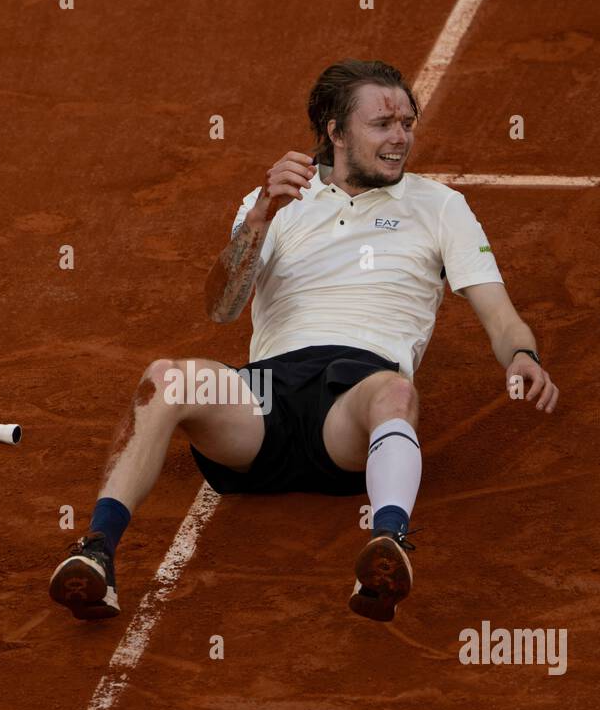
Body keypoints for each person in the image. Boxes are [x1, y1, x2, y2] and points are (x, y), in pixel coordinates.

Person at [49, 58, 558, 623]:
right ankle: (97, 550)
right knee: (166, 377)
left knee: (396, 394)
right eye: (382, 124)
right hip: (265, 399)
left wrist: (522, 356)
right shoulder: (275, 202)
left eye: (406, 123)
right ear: (336, 132)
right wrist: (263, 216)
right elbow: (221, 308)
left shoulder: (441, 207)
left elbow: (500, 315)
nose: (400, 138)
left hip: (353, 399)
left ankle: (388, 546)